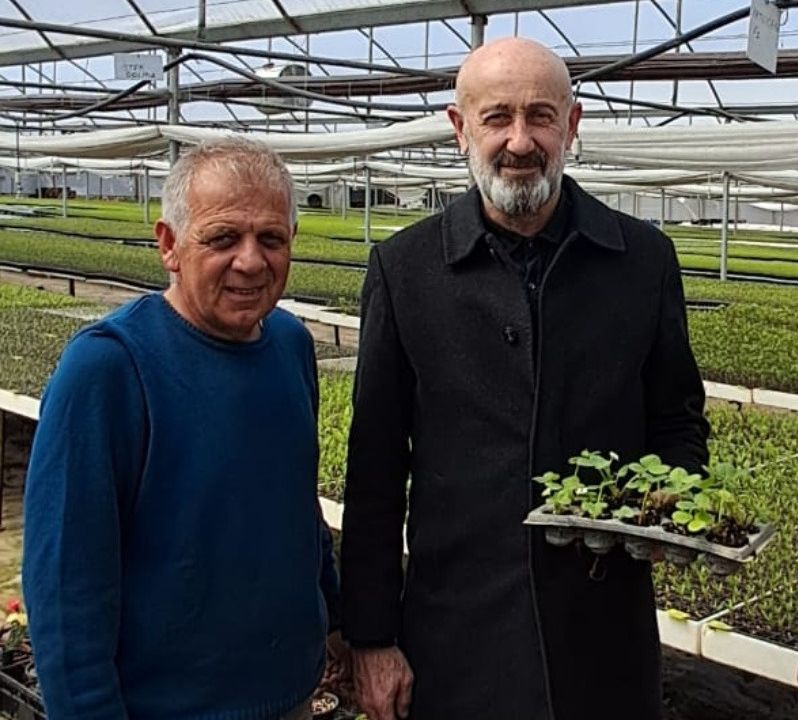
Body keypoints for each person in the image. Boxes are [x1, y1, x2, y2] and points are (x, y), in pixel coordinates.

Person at [340, 36, 709, 720]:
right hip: (455, 639)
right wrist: (372, 636)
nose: (519, 141)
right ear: (460, 129)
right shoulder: (405, 270)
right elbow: (375, 472)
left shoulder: (641, 261)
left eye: (541, 116)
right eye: (497, 118)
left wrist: (666, 507)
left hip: (603, 637)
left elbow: (676, 419)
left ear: (572, 125)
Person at [23, 137, 341, 719]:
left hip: (289, 695)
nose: (251, 261)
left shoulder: (290, 344)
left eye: (271, 239)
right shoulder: (109, 368)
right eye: (223, 238)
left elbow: (298, 508)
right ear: (169, 245)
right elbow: (67, 585)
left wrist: (337, 619)